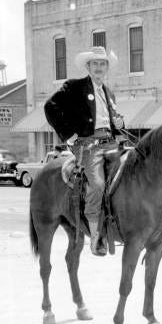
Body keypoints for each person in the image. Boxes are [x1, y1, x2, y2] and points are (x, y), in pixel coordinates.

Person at [44, 46, 124, 256]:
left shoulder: (109, 92)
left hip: (111, 143)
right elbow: (50, 106)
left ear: (107, 67)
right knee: (97, 185)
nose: (99, 67)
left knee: (133, 173)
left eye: (103, 63)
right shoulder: (75, 87)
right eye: (95, 63)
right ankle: (96, 237)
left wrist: (119, 122)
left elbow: (113, 121)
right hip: (90, 145)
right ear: (88, 66)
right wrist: (70, 136)